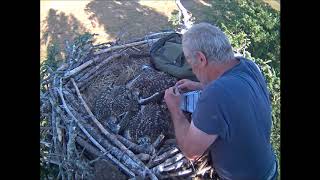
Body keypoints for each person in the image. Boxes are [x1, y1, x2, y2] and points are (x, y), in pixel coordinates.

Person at [164, 23, 278, 180]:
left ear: (201, 58)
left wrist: (175, 108)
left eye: (191, 65)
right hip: (269, 168)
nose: (194, 72)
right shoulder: (249, 66)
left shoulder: (215, 95)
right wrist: (200, 85)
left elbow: (191, 152)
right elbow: (233, 90)